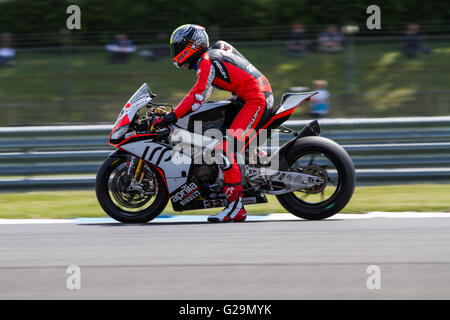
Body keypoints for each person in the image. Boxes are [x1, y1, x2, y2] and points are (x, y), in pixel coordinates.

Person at [155, 24, 274, 222]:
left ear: (190, 46)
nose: (175, 52)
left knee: (224, 151)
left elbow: (198, 94)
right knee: (221, 133)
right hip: (248, 97)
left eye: (178, 47)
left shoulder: (206, 60)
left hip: (255, 100)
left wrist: (173, 116)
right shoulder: (214, 53)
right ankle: (254, 158)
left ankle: (235, 209)